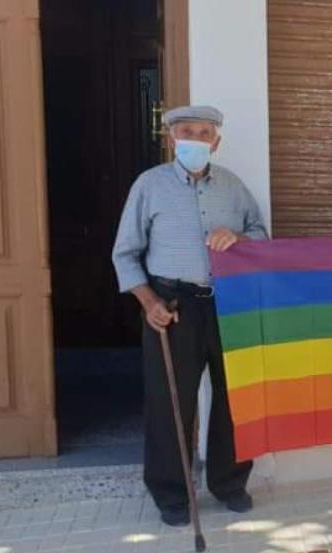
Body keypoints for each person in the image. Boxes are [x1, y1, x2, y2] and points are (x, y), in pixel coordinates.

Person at [112, 105, 268, 526]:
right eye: (186, 131)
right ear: (171, 139)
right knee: (170, 402)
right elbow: (125, 253)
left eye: (204, 133)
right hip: (172, 304)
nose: (195, 139)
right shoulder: (149, 186)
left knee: (235, 396)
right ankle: (171, 494)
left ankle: (230, 484)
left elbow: (261, 235)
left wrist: (237, 236)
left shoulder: (233, 187)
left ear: (215, 142)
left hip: (227, 302)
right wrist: (150, 304)